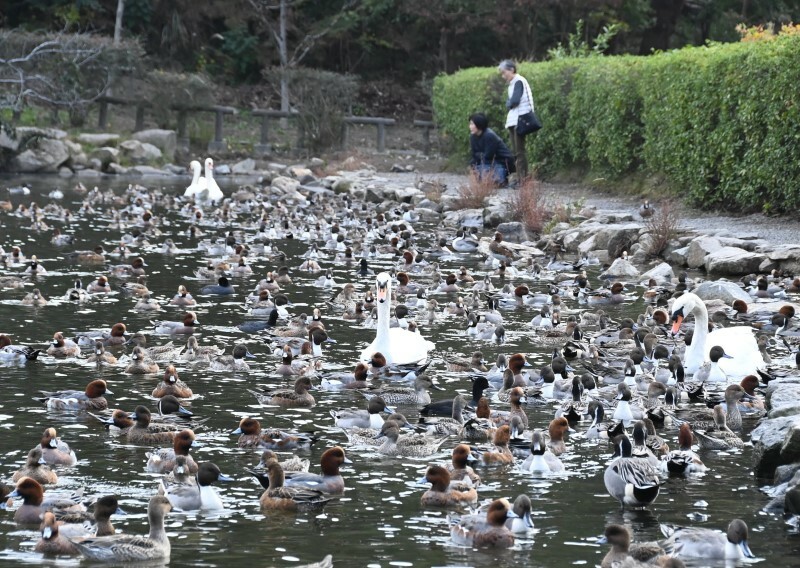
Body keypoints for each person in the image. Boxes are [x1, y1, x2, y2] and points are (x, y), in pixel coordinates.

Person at [498, 59, 534, 183]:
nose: (503, 76)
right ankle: (520, 178)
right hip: (514, 120)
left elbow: (513, 101)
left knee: (519, 152)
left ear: (511, 70)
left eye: (504, 73)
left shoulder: (518, 81)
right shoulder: (513, 83)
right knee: (516, 151)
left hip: (520, 119)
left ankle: (523, 180)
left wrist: (509, 104)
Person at [469, 113, 515, 186]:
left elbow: (488, 155)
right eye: (470, 124)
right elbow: (474, 154)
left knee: (485, 164)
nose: (470, 127)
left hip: (502, 161)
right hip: (488, 161)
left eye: (472, 124)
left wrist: (479, 155)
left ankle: (499, 179)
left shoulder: (489, 135)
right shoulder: (473, 137)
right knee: (473, 162)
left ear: (479, 125)